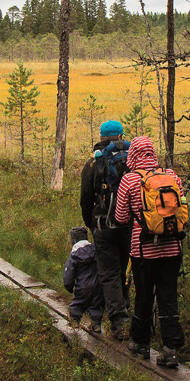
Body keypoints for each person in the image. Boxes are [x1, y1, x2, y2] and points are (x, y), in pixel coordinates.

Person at [113, 135, 186, 368]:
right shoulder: (172, 176)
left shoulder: (129, 180)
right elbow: (182, 207)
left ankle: (141, 344)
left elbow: (121, 217)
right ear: (153, 153)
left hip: (143, 250)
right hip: (173, 249)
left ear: (133, 154)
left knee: (144, 296)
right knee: (169, 297)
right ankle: (171, 349)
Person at [79, 119, 130, 340]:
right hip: (129, 225)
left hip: (103, 225)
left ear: (101, 137)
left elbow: (85, 200)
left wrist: (92, 224)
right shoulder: (132, 160)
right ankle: (127, 316)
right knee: (124, 271)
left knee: (108, 273)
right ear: (120, 136)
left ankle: (119, 322)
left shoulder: (93, 164)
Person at [61, 226, 103, 334]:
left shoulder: (74, 256)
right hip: (98, 284)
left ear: (73, 239)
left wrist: (69, 287)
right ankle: (96, 324)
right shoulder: (96, 250)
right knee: (95, 304)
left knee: (77, 304)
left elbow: (68, 275)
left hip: (82, 286)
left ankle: (75, 321)